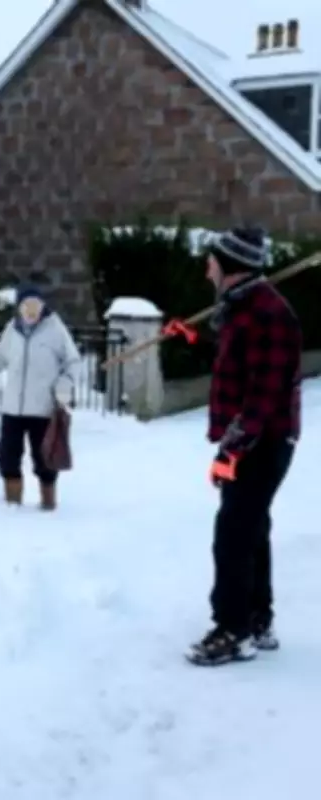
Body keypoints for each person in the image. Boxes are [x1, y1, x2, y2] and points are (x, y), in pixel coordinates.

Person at [187, 226, 301, 667]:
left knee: (233, 535)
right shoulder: (243, 308)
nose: (207, 270)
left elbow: (262, 397)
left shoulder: (266, 313)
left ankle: (233, 629)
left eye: (212, 262)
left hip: (262, 442)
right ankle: (256, 618)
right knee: (252, 527)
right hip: (256, 439)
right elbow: (233, 363)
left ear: (230, 266)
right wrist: (192, 338)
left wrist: (230, 452)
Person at [0, 284, 81, 510]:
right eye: (26, 305)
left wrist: (65, 384)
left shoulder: (55, 329)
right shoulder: (12, 330)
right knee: (7, 455)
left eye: (36, 305)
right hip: (13, 409)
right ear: (19, 308)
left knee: (45, 458)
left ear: (43, 307)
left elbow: (73, 362)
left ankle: (48, 502)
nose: (31, 311)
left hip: (42, 409)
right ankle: (12, 502)